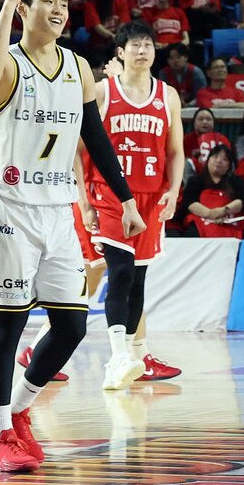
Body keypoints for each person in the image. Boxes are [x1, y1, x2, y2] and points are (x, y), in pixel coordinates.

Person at [0, 0, 143, 472]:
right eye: (46, 0)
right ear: (26, 9)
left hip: (57, 210)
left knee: (71, 325)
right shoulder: (8, 65)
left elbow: (96, 137)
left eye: (64, 3)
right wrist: (7, 3)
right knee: (9, 326)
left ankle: (21, 410)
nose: (58, 10)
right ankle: (0, 432)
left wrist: (126, 198)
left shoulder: (78, 68)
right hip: (8, 208)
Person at [77, 22, 185, 389]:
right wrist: (84, 200)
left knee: (137, 277)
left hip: (150, 198)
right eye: (135, 45)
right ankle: (118, 356)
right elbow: (79, 151)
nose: (143, 51)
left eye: (148, 45)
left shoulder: (168, 96)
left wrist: (174, 188)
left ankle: (133, 355)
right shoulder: (103, 91)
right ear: (119, 52)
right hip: (108, 195)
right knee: (118, 271)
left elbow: (176, 152)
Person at [181, 143, 244, 237]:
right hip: (201, 219)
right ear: (208, 160)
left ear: (229, 165)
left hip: (229, 219)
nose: (219, 161)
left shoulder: (236, 181)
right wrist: (209, 214)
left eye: (224, 159)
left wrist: (223, 211)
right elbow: (189, 202)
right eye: (215, 156)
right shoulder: (195, 180)